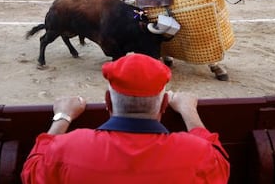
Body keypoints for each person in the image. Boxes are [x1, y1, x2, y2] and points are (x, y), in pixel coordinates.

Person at [21, 53, 230, 184]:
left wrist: (62, 117)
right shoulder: (197, 154)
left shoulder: (66, 148)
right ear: (165, 104)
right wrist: (188, 111)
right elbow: (219, 165)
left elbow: (31, 172)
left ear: (108, 102)